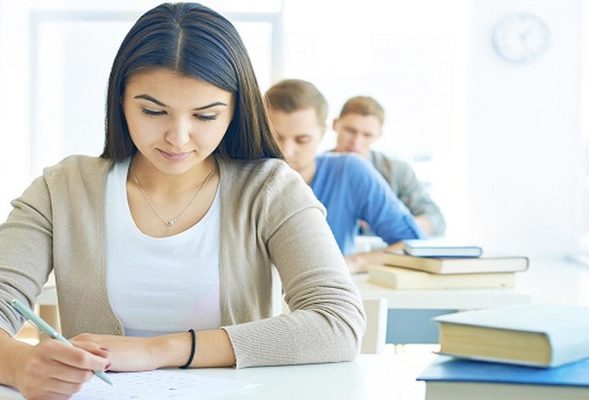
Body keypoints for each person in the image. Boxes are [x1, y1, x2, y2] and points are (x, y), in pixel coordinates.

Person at [0, 4, 364, 399]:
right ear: (120, 101)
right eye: (153, 111)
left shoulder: (270, 189)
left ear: (236, 111)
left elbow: (337, 322)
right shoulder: (62, 189)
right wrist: (20, 364)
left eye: (205, 116)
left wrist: (158, 350)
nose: (178, 137)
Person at [264, 80, 424, 273]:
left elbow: (414, 245)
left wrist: (354, 263)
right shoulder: (239, 175)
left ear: (323, 133)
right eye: (276, 138)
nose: (287, 152)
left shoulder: (350, 171)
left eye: (302, 140)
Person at [332, 96, 446, 236]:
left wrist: (397, 223)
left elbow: (436, 220)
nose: (356, 142)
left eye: (367, 135)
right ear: (335, 125)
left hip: (383, 254)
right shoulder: (313, 168)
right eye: (350, 131)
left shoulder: (397, 171)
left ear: (379, 135)